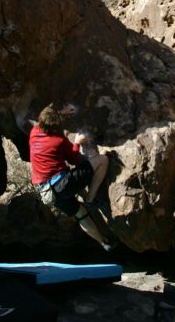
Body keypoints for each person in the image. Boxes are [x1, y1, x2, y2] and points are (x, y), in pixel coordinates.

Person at [29, 104, 113, 250]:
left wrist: (61, 112)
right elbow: (74, 159)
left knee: (81, 215)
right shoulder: (58, 141)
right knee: (102, 160)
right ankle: (90, 199)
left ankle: (104, 243)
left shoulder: (34, 132)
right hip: (62, 184)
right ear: (55, 126)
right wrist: (77, 143)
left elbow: (46, 118)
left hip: (47, 193)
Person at [73, 128, 109, 203]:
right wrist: (76, 143)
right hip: (62, 182)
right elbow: (72, 158)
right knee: (104, 159)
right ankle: (89, 199)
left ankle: (87, 198)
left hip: (58, 183)